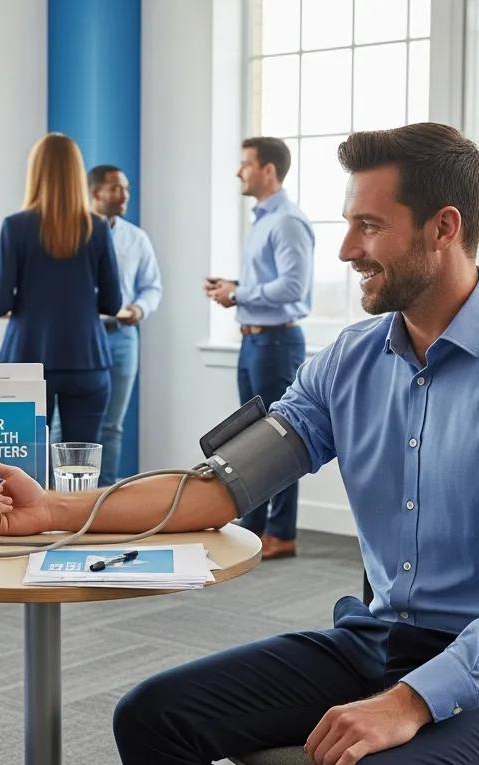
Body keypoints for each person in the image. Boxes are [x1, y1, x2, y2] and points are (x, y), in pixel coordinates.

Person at [0, 123, 479, 765]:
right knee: (152, 716)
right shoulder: (347, 362)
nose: (343, 251)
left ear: (443, 228)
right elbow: (219, 487)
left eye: (368, 226)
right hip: (376, 639)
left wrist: (413, 698)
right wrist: (53, 509)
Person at [204, 137, 314, 560]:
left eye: (245, 164)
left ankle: (281, 534)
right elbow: (266, 284)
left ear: (269, 170)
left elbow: (292, 287)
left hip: (277, 342)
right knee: (251, 438)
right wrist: (233, 290)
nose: (238, 172)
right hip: (254, 341)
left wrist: (239, 293)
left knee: (279, 438)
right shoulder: (262, 220)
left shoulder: (287, 221)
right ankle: (256, 526)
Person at [0, 133, 121, 445]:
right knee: (80, 469)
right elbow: (113, 304)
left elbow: (0, 302)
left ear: (35, 172)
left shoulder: (15, 226)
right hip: (87, 359)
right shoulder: (97, 227)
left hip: (26, 359)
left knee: (22, 469)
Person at [87, 163, 163, 486]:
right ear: (95, 192)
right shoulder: (78, 233)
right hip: (85, 336)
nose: (124, 195)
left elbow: (152, 286)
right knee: (65, 424)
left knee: (112, 425)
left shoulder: (136, 238)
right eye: (116, 188)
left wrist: (139, 309)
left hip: (123, 337)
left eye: (126, 189)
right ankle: (58, 499)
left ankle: (103, 502)